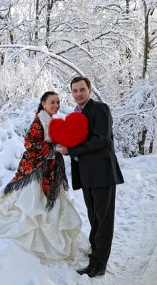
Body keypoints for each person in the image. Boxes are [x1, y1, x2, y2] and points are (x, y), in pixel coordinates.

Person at [0, 91, 82, 262]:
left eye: (58, 102)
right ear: (43, 103)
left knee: (52, 205)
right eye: (52, 102)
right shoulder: (39, 122)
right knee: (33, 206)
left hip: (50, 169)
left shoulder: (51, 120)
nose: (56, 105)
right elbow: (30, 143)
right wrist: (54, 149)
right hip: (38, 170)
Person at [57, 76, 124, 278]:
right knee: (94, 216)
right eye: (74, 91)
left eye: (81, 90)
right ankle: (96, 251)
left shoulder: (100, 109)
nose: (78, 94)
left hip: (102, 173)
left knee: (104, 219)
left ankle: (98, 264)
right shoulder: (76, 113)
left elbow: (101, 139)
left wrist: (72, 150)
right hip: (86, 175)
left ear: (89, 89)